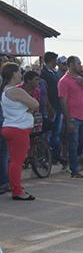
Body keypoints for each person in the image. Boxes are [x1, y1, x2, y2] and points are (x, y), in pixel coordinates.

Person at [1, 63, 40, 200]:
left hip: (10, 127)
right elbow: (35, 104)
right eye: (19, 72)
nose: (21, 75)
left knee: (13, 160)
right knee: (17, 161)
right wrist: (28, 108)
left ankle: (15, 186)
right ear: (13, 74)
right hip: (18, 129)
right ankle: (17, 191)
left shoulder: (6, 90)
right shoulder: (16, 90)